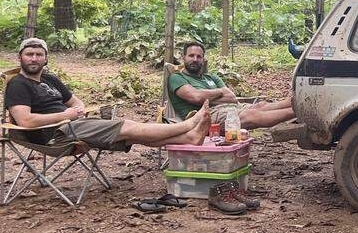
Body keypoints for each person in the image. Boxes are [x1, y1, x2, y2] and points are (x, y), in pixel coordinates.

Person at [4, 38, 212, 150]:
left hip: (75, 125)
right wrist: (66, 115)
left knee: (131, 136)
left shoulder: (50, 79)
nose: (34, 59)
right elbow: (26, 121)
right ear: (20, 58)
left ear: (46, 59)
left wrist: (77, 110)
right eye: (29, 54)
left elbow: (76, 102)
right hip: (56, 135)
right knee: (128, 126)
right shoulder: (18, 84)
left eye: (39, 55)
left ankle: (189, 137)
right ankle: (187, 126)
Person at [167, 41, 295, 130]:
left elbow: (232, 98)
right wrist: (219, 92)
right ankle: (300, 112)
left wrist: (206, 97)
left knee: (262, 105)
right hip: (206, 115)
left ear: (203, 59)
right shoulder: (177, 78)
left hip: (232, 106)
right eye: (191, 56)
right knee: (251, 115)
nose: (195, 59)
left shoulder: (211, 77)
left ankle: (302, 102)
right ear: (183, 58)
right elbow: (195, 97)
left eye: (199, 56)